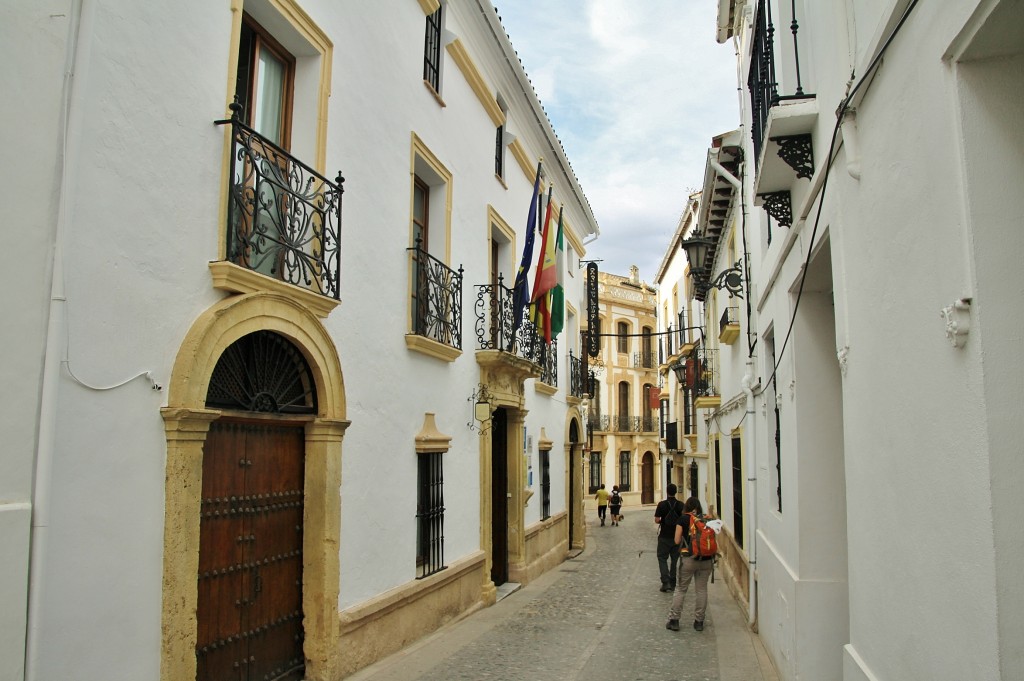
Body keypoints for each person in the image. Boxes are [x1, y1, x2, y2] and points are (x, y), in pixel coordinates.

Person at [666, 496, 716, 632]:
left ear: (686, 507)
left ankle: (674, 620)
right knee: (701, 590)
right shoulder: (707, 519)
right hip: (706, 560)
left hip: (688, 559)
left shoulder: (683, 519)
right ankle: (699, 621)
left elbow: (676, 540)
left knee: (681, 589)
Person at [653, 483, 683, 592]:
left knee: (662, 558)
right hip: (677, 537)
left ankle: (665, 582)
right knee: (675, 560)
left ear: (667, 491)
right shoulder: (681, 505)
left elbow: (656, 520)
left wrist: (663, 521)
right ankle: (673, 582)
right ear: (675, 492)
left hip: (664, 536)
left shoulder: (661, 504)